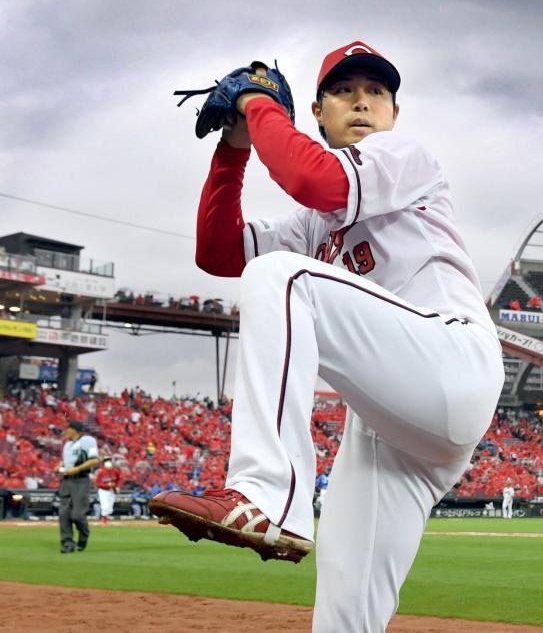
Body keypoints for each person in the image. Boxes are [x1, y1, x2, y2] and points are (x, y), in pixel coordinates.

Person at [149, 41, 504, 632]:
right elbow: (217, 252)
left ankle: (266, 496)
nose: (362, 102)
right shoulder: (311, 227)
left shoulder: (405, 156)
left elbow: (314, 179)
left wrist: (259, 105)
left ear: (394, 113)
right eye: (344, 91)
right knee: (345, 614)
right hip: (389, 422)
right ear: (317, 111)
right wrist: (233, 147)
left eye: (376, 92)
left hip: (452, 360)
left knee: (280, 277)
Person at [58, 420, 100, 553]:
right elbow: (67, 463)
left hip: (81, 479)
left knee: (77, 514)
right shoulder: (67, 444)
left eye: (68, 428)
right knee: (64, 513)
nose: (66, 431)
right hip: (67, 479)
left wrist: (77, 469)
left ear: (74, 430)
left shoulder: (88, 441)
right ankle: (67, 543)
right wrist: (61, 467)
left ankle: (84, 534)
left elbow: (94, 459)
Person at [95, 456, 122, 526]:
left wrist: (118, 486)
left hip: (112, 491)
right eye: (106, 461)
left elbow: (119, 479)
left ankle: (105, 518)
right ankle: (104, 520)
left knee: (110, 509)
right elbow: (97, 483)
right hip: (103, 491)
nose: (108, 462)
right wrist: (107, 485)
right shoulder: (101, 472)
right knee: (105, 506)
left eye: (109, 460)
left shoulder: (115, 471)